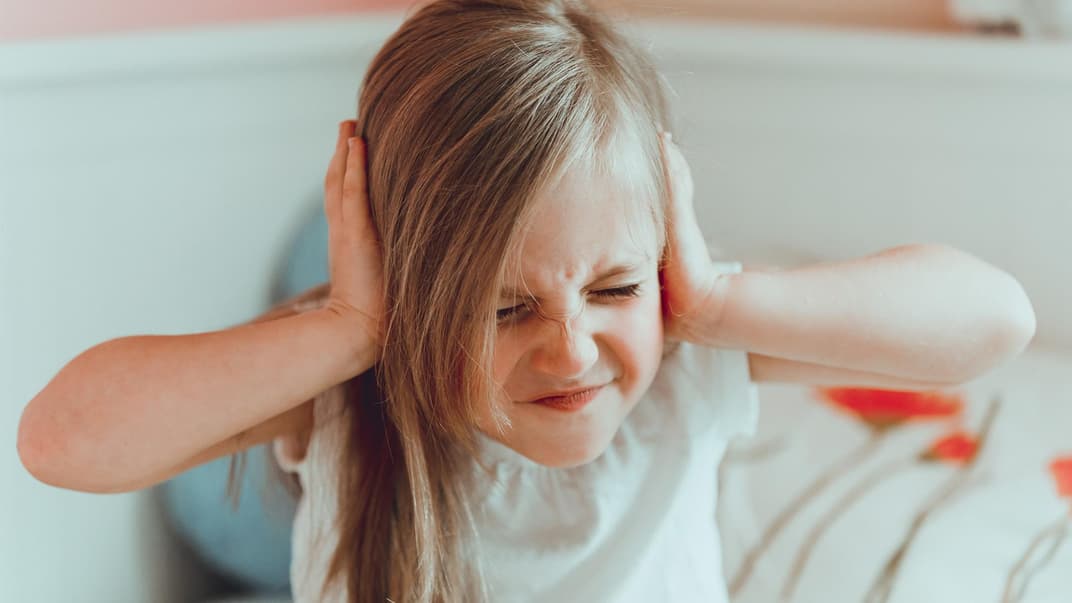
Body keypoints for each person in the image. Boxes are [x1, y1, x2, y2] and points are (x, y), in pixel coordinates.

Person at [16, 0, 1037, 601]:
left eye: (613, 286)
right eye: (505, 310)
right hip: (356, 327)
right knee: (218, 492)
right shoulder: (354, 376)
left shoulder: (687, 357)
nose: (572, 350)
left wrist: (717, 297)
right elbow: (60, 442)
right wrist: (345, 326)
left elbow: (996, 321)